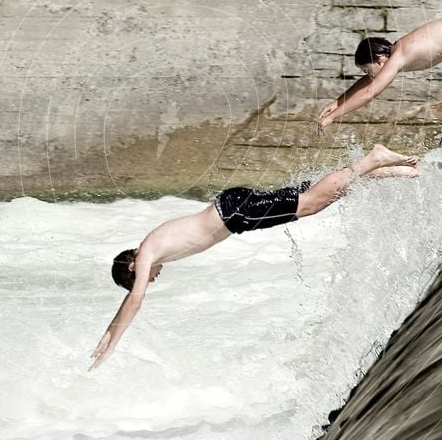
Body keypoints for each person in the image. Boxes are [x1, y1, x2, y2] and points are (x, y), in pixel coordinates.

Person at [90, 144, 419, 370]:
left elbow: (135, 302)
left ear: (133, 265)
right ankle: (399, 170)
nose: (149, 279)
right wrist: (106, 334)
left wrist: (114, 343)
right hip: (233, 208)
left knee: (311, 203)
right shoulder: (155, 248)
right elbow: (127, 302)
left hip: (236, 213)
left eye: (141, 278)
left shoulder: (147, 251)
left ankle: (372, 159)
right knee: (313, 197)